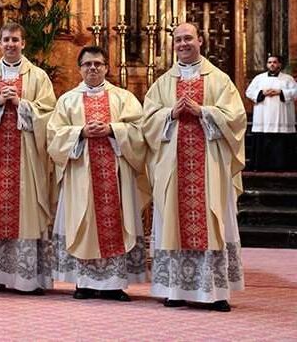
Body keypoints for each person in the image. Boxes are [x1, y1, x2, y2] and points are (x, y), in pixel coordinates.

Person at [143, 22, 246, 312]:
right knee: (173, 221)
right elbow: (146, 122)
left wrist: (203, 111)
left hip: (209, 167)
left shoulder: (220, 80)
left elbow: (236, 119)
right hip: (174, 167)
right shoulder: (163, 83)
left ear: (200, 40)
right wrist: (170, 113)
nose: (183, 44)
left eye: (188, 38)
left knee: (214, 221)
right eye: (178, 40)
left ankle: (215, 292)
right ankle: (174, 289)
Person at [47, 46, 149, 301]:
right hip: (81, 175)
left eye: (98, 64)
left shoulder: (123, 98)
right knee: (84, 224)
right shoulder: (67, 100)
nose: (93, 68)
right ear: (79, 68)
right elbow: (53, 136)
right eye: (87, 64)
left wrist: (113, 129)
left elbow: (140, 130)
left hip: (115, 176)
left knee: (115, 223)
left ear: (107, 67)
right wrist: (79, 132)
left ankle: (114, 284)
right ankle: (84, 283)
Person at [0, 22, 56, 294]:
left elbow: (49, 115)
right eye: (6, 39)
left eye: (15, 39)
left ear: (23, 43)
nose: (10, 44)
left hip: (27, 157)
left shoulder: (38, 76)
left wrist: (21, 104)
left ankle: (26, 279)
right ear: (0, 43)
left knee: (27, 210)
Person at [245, 55, 297, 171]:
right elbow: (249, 92)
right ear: (267, 64)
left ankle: (283, 166)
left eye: (274, 62)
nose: (272, 64)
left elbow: (295, 92)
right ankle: (261, 166)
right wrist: (262, 92)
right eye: (269, 62)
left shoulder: (288, 79)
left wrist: (281, 92)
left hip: (282, 118)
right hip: (263, 118)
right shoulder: (259, 78)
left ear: (279, 64)